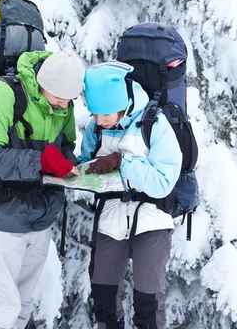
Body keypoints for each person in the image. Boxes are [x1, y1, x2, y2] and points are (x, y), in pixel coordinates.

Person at [0, 50, 85, 328]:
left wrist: (72, 165)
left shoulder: (63, 104)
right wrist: (42, 160)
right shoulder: (3, 96)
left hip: (40, 219)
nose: (62, 107)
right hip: (1, 218)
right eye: (58, 100)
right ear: (44, 85)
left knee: (22, 306)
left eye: (68, 102)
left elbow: (65, 147)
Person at [80, 62, 182, 329]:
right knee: (103, 301)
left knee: (147, 303)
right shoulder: (97, 128)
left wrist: (121, 161)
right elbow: (85, 166)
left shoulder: (154, 124)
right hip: (110, 218)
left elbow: (163, 183)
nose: (97, 121)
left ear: (121, 103)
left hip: (151, 218)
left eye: (103, 114)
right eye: (93, 114)